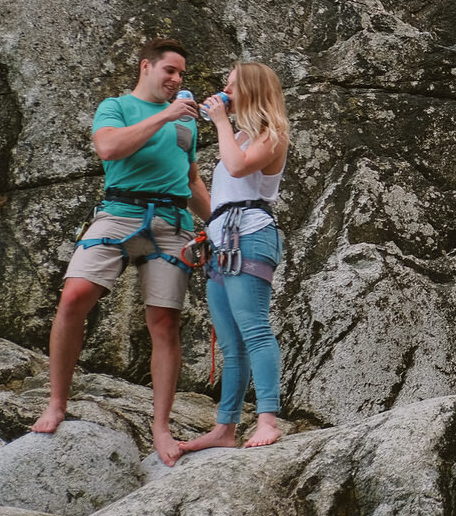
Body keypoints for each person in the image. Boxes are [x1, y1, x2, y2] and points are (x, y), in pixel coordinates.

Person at [32, 37, 210, 467]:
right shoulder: (115, 106)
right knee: (73, 297)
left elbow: (191, 180)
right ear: (146, 67)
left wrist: (221, 220)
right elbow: (109, 148)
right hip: (119, 212)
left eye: (182, 74)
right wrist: (166, 115)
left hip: (171, 222)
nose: (177, 79)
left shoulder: (189, 125)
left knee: (164, 321)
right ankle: (57, 402)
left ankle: (161, 426)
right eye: (170, 70)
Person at [179, 61, 291, 451]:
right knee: (231, 343)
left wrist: (221, 121)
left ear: (253, 89)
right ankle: (225, 427)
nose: (224, 90)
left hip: (252, 235)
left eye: (232, 85)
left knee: (255, 328)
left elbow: (239, 167)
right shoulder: (241, 135)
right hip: (222, 239)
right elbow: (217, 203)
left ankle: (267, 419)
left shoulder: (271, 133)